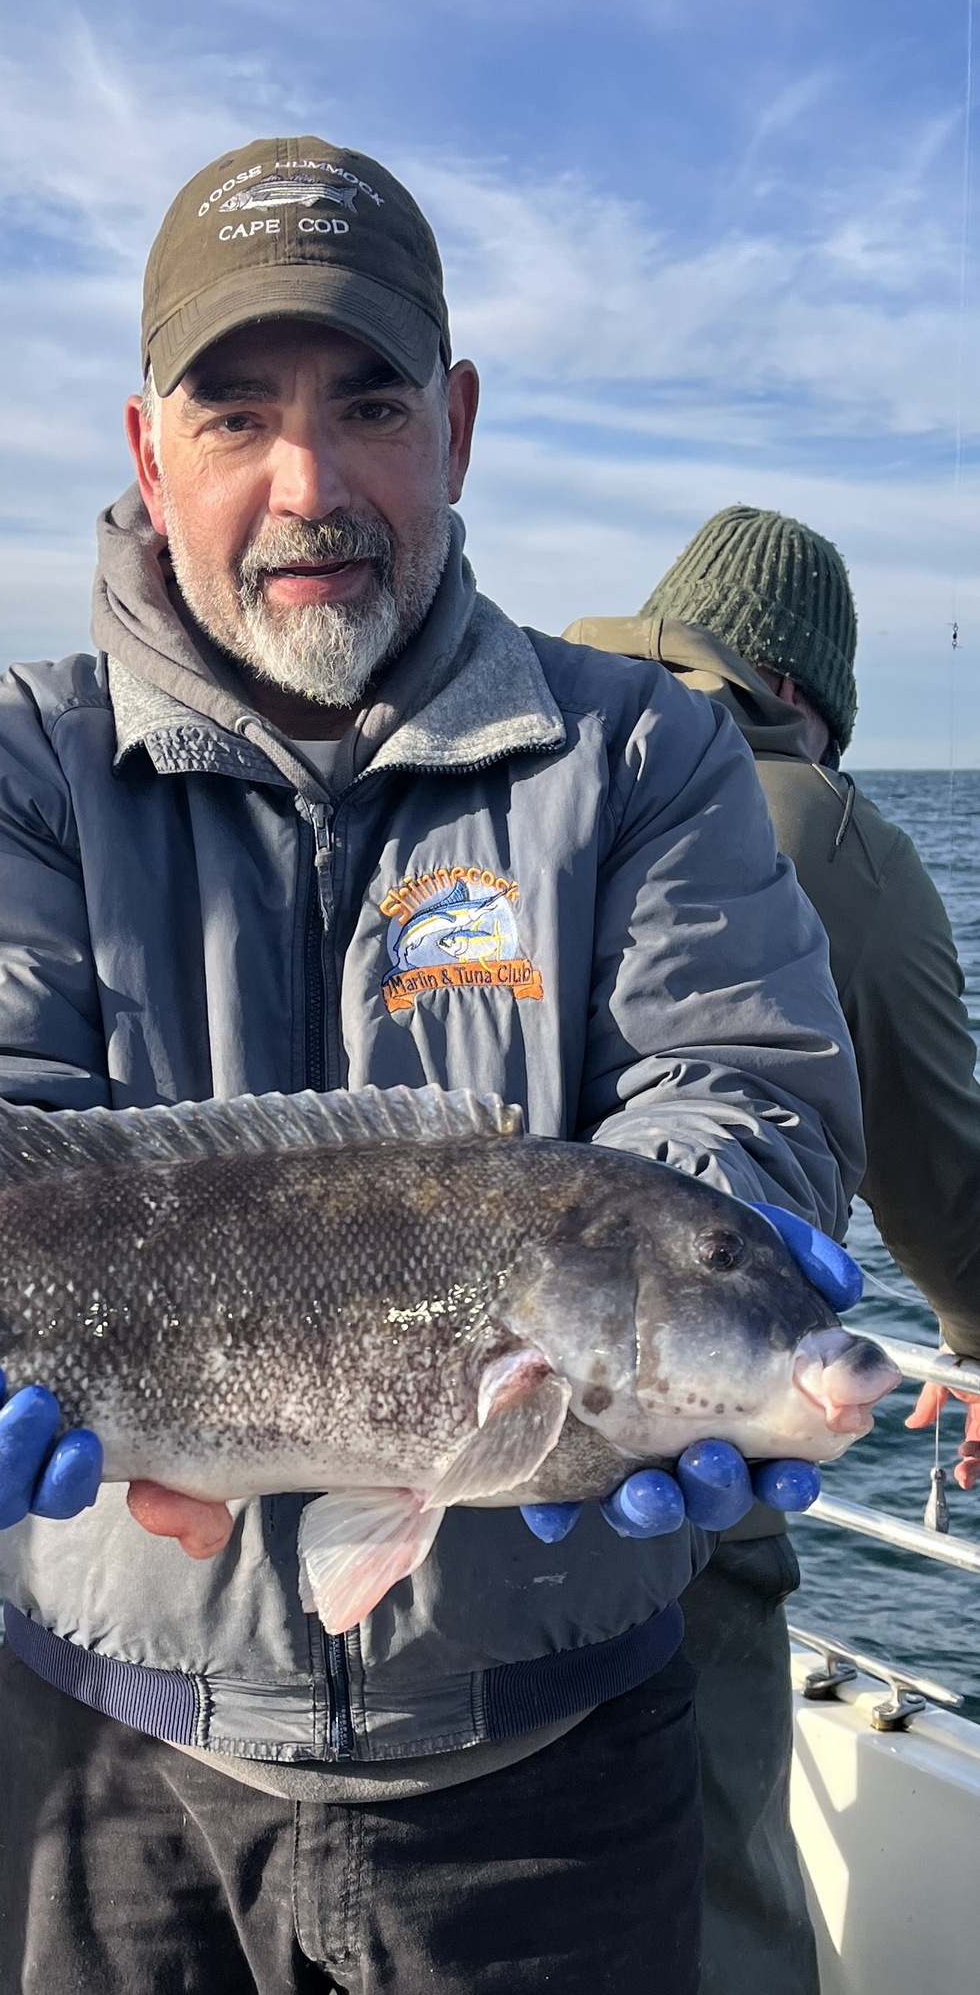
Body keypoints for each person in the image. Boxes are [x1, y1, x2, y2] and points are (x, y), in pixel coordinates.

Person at [0, 147, 866, 1993]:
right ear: (149, 452)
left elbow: (735, 1083)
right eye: (237, 416)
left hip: (560, 1759)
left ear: (451, 426)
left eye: (368, 404)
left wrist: (729, 1246)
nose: (311, 485)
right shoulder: (14, 762)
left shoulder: (646, 757)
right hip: (115, 1757)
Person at [564, 503, 980, 1995]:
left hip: (399, 1442)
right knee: (709, 1897)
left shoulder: (523, 744)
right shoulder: (817, 827)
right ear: (808, 698)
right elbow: (946, 1175)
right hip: (658, 1484)